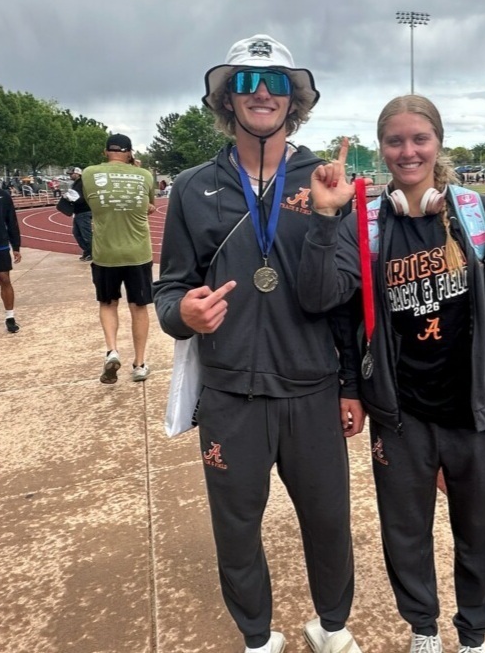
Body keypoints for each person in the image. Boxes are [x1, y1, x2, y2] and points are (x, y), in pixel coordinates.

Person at [297, 94, 485, 653]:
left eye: (419, 139)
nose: (407, 151)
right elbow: (332, 309)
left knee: (481, 533)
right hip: (400, 414)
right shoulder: (370, 224)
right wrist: (327, 216)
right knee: (404, 534)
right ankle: (424, 631)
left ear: (438, 143)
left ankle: (474, 636)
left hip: (477, 410)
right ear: (379, 148)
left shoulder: (479, 217)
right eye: (394, 141)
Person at [152, 34, 364, 653]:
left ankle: (329, 627)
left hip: (312, 391)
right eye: (245, 81)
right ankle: (257, 638)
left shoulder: (324, 177)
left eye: (275, 82)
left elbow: (342, 301)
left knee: (329, 525)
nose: (261, 92)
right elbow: (169, 291)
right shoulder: (194, 185)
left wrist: (351, 384)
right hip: (230, 396)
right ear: (227, 98)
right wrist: (183, 315)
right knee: (236, 530)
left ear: (294, 99)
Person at [82, 134, 156, 384]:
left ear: (106, 153)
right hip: (138, 253)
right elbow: (150, 206)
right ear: (130, 153)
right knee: (139, 307)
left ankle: (112, 350)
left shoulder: (89, 173)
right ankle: (139, 363)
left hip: (105, 254)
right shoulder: (145, 175)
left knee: (108, 303)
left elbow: (78, 205)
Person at [0, 159, 22, 333]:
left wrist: (16, 247)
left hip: (0, 245)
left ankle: (10, 316)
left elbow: (12, 222)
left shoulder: (4, 197)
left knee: (5, 280)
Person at [62, 167, 93, 261]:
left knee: (86, 234)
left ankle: (92, 252)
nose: (70, 175)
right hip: (79, 212)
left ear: (78, 174)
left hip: (84, 211)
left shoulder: (82, 184)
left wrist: (71, 198)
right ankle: (87, 251)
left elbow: (82, 198)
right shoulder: (76, 184)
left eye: (71, 174)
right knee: (77, 233)